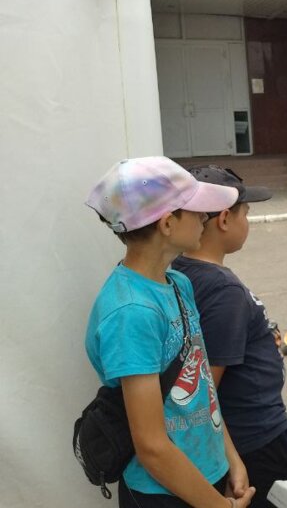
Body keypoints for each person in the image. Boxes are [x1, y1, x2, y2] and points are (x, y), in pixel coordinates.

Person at [84, 156, 257, 508]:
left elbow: (201, 385)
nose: (205, 219)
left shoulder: (177, 283)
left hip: (206, 476)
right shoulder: (131, 313)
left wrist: (230, 458)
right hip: (162, 493)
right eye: (195, 211)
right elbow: (151, 447)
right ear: (167, 223)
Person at [172, 165, 287, 508]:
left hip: (245, 439)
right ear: (225, 219)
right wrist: (232, 458)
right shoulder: (222, 289)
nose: (248, 221)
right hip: (256, 442)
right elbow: (204, 390)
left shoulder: (181, 270)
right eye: (246, 212)